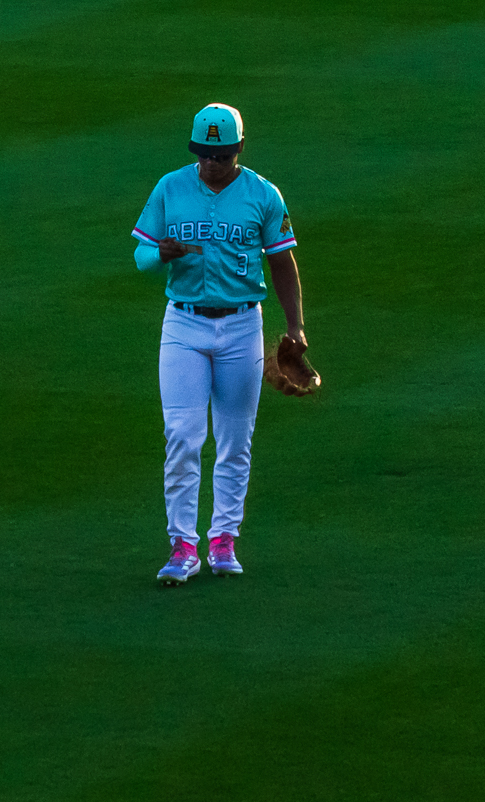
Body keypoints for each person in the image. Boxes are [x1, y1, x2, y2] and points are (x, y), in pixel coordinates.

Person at [129, 103, 305, 584]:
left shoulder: (263, 195)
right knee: (183, 437)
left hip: (242, 326)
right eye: (205, 154)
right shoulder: (170, 187)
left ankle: (223, 539)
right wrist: (158, 252)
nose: (211, 163)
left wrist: (296, 329)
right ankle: (182, 545)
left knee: (234, 439)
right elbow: (142, 256)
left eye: (221, 155)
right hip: (183, 326)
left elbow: (283, 264)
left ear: (239, 150)